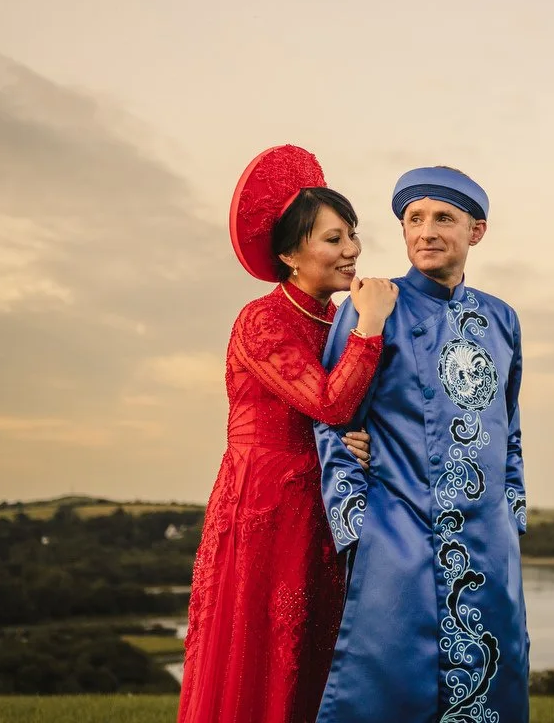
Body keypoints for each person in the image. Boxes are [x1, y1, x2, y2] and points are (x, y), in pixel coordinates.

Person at [178, 145, 399, 723]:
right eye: (333, 238)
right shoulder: (262, 320)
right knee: (260, 654)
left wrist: (369, 440)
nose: (351, 249)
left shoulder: (336, 318)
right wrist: (372, 323)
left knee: (317, 656)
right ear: (289, 253)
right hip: (265, 504)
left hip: (323, 505)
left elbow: (352, 414)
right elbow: (329, 402)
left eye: (352, 233)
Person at [313, 166, 529, 723]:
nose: (427, 231)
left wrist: (511, 513)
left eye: (444, 219)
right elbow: (333, 417)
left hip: (487, 541)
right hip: (397, 533)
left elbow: (510, 424)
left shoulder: (502, 318)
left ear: (475, 232)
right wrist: (356, 521)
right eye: (414, 219)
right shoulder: (371, 304)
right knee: (386, 690)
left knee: (492, 687)